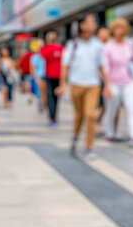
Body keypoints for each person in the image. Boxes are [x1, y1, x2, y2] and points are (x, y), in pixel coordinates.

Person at [56, 14, 110, 159]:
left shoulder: (98, 45)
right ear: (82, 25)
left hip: (93, 85)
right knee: (79, 114)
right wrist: (63, 85)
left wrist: (108, 85)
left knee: (90, 115)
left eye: (94, 22)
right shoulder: (73, 44)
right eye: (90, 22)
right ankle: (75, 136)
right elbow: (65, 66)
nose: (94, 25)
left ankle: (89, 146)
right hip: (76, 84)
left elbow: (102, 66)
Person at [102, 18, 133, 148]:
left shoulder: (130, 43)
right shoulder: (108, 47)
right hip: (113, 83)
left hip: (129, 81)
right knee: (112, 109)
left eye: (122, 28)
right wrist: (107, 85)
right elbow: (106, 67)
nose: (119, 31)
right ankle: (110, 132)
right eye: (117, 28)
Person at [39, 31, 63, 126]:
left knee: (50, 96)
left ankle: (51, 117)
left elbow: (42, 56)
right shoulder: (60, 48)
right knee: (57, 96)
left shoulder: (45, 48)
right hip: (59, 75)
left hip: (49, 74)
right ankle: (55, 116)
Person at [95, 26, 111, 136]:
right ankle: (94, 123)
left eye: (106, 33)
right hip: (96, 80)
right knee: (96, 104)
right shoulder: (95, 46)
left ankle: (97, 121)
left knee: (106, 104)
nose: (105, 35)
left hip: (108, 80)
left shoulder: (110, 46)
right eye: (102, 33)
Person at [30, 39, 46, 112]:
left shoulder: (46, 55)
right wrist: (35, 77)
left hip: (46, 76)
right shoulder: (35, 57)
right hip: (38, 77)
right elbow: (32, 69)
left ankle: (44, 104)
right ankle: (41, 104)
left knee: (45, 92)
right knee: (39, 92)